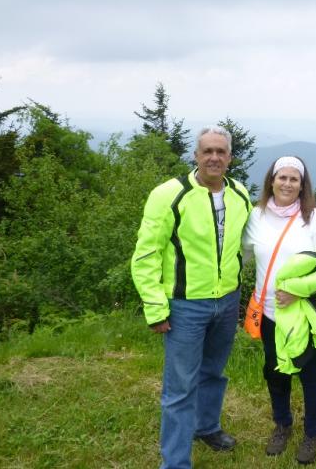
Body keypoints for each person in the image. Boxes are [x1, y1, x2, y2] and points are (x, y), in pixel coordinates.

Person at [131, 126, 252, 469]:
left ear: (230, 158)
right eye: (207, 151)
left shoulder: (239, 193)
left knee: (213, 372)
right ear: (196, 156)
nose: (214, 157)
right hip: (185, 306)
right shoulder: (169, 194)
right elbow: (146, 255)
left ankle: (206, 427)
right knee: (180, 389)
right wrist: (156, 308)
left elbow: (252, 239)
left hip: (227, 300)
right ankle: (175, 462)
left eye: (220, 152)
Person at [242, 155, 316, 465]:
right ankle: (282, 425)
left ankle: (312, 434)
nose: (287, 184)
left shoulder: (314, 220)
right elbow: (242, 255)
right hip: (269, 313)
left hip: (304, 316)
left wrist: (296, 290)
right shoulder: (256, 217)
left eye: (294, 179)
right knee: (275, 372)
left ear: (302, 185)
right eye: (282, 177)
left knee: (310, 376)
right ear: (271, 181)